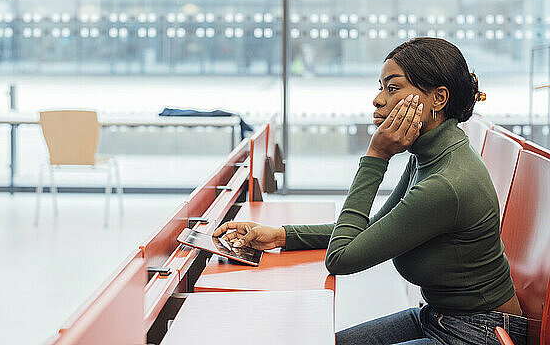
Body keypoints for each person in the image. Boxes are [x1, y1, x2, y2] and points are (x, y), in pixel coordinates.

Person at [212, 38, 528, 345]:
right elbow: (372, 227)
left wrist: (376, 156)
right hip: (439, 316)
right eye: (380, 88)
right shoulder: (431, 155)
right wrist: (280, 236)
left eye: (392, 88)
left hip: (479, 333)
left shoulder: (446, 184)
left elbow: (342, 257)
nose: (377, 100)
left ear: (438, 98)